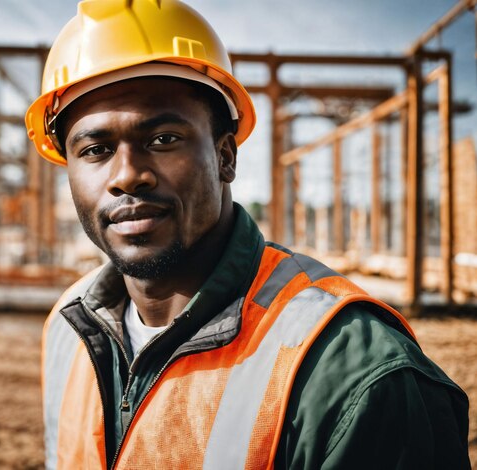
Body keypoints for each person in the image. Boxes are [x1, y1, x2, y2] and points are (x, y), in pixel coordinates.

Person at [25, 1, 470, 468]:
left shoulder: (354, 376)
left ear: (225, 157)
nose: (128, 175)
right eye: (95, 149)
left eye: (163, 140)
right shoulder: (67, 328)